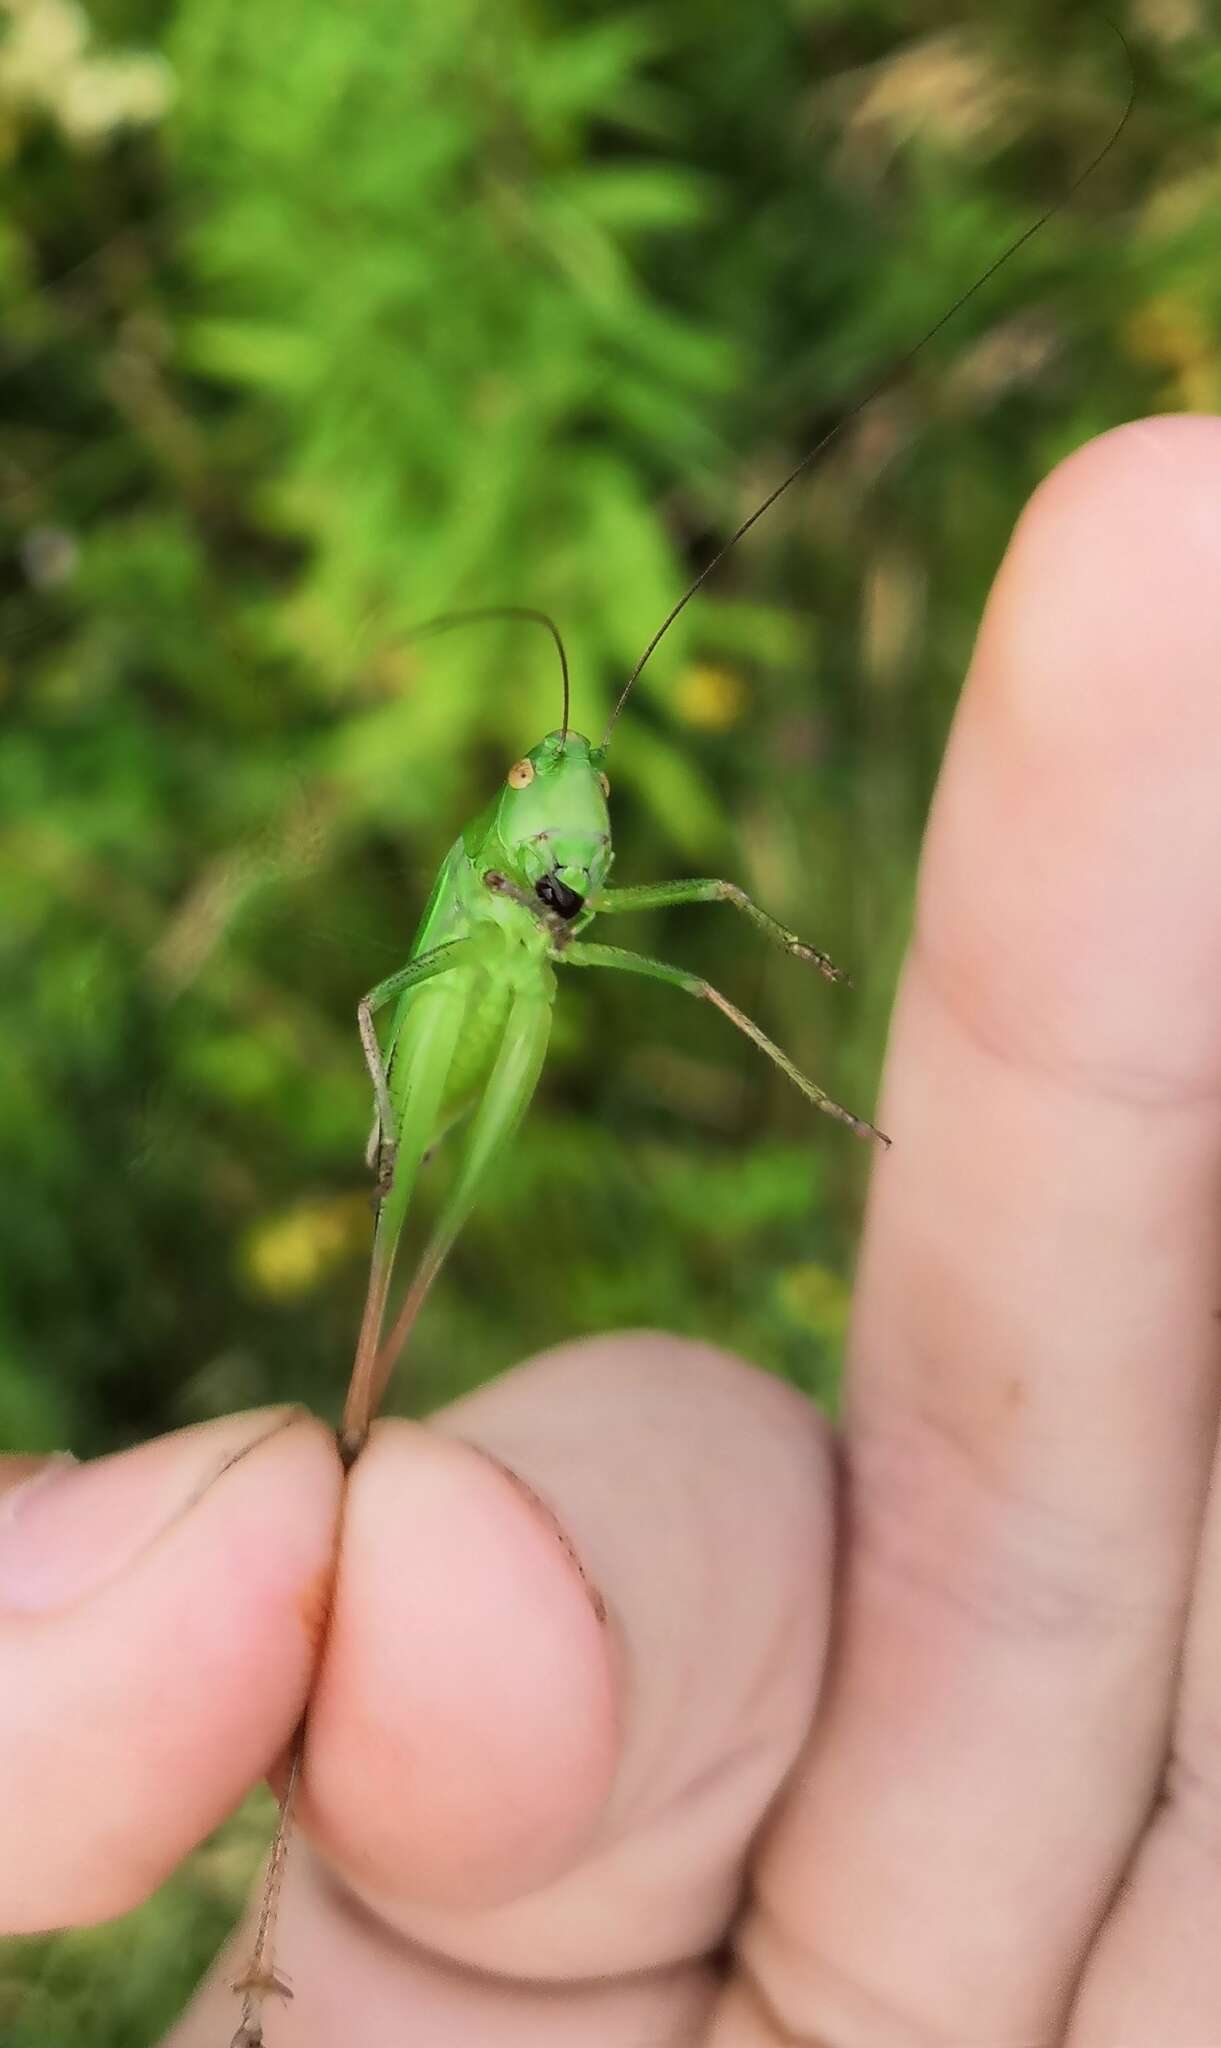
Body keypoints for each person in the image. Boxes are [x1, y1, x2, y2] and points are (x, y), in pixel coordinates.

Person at [3, 415, 1219, 2046]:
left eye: (582, 787)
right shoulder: (487, 856)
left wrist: (791, 956)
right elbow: (382, 987)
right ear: (515, 802)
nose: (571, 802)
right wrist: (381, 1101)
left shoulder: (595, 860)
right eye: (542, 779)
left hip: (528, 1002)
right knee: (381, 1312)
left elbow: (705, 925)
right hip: (449, 1016)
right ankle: (279, 1902)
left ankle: (305, 1825)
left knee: (654, 1013)